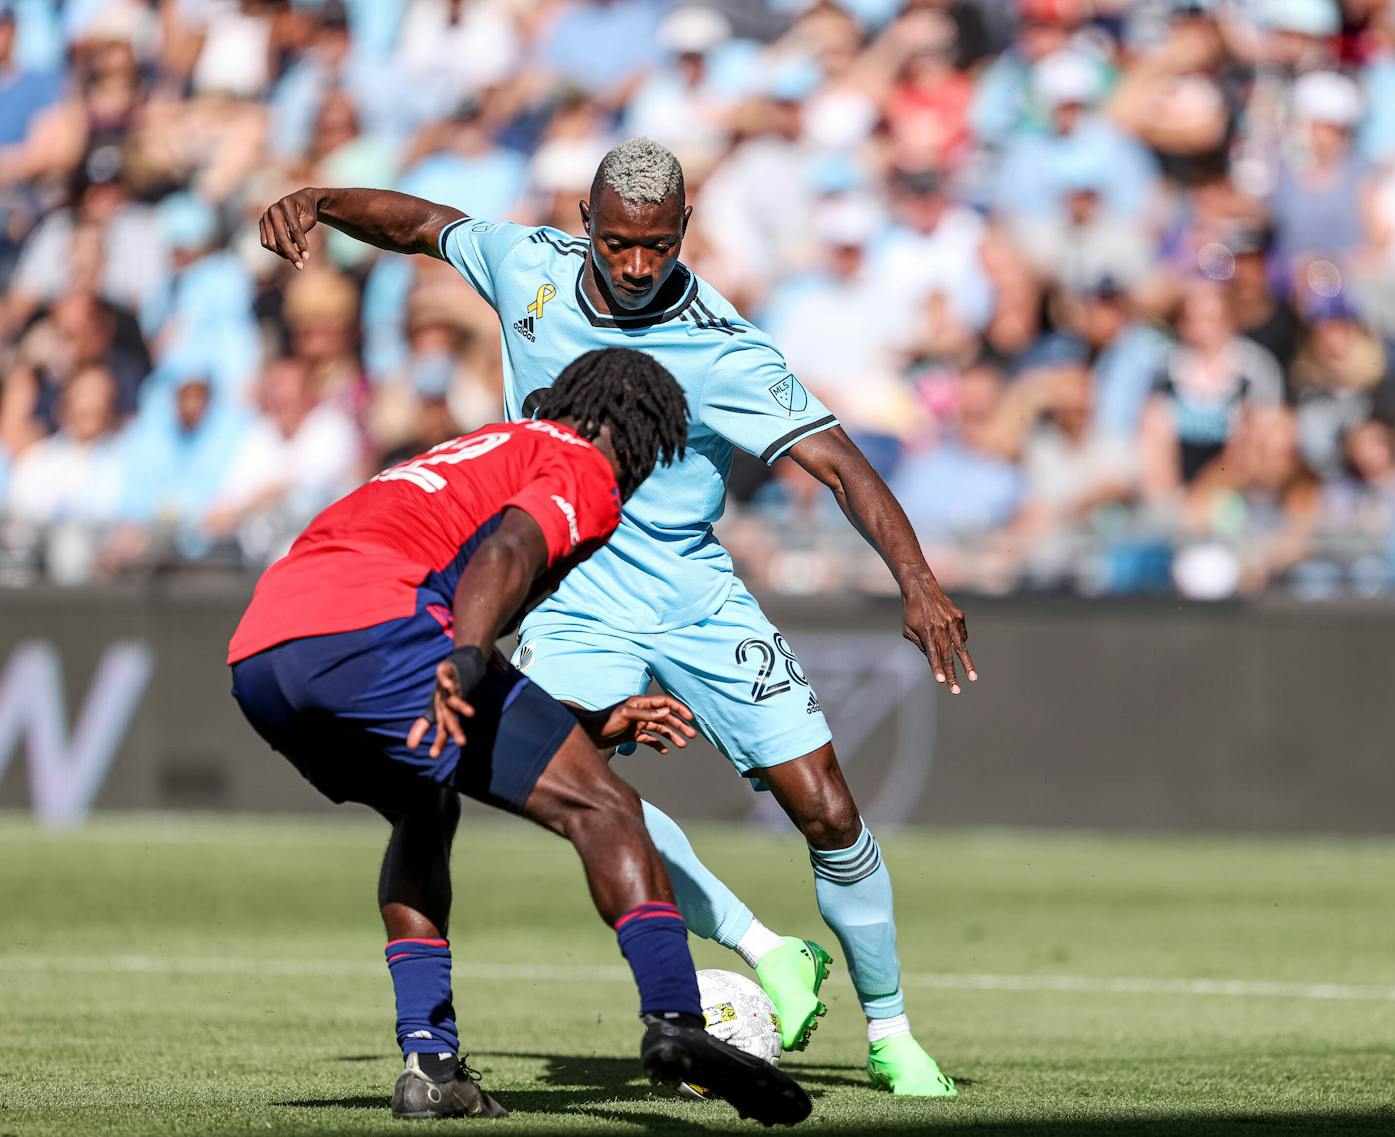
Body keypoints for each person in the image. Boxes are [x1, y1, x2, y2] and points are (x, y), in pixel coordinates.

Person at [258, 136, 972, 1095]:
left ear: (684, 233)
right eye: (622, 244)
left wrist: (916, 580)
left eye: (660, 246)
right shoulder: (528, 269)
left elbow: (838, 462)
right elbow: (423, 225)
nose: (639, 267)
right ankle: (764, 951)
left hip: (696, 596)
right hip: (573, 593)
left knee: (829, 808)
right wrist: (319, 199)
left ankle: (891, 1033)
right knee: (589, 795)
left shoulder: (725, 347)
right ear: (587, 223)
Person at [227, 348, 812, 1126]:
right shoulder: (580, 463)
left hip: (264, 653)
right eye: (655, 449)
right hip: (380, 631)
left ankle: (429, 1063)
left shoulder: (483, 450)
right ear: (630, 434)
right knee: (605, 808)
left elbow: (483, 662)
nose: (643, 473)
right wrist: (466, 660)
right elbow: (505, 559)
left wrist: (585, 718)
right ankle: (676, 1021)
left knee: (423, 801)